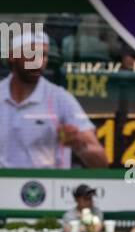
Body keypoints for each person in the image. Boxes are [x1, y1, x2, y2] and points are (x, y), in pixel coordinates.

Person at [0, 28, 108, 167]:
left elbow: (101, 163)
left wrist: (79, 144)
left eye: (43, 55)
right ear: (12, 56)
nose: (38, 61)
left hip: (49, 187)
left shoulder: (61, 99)